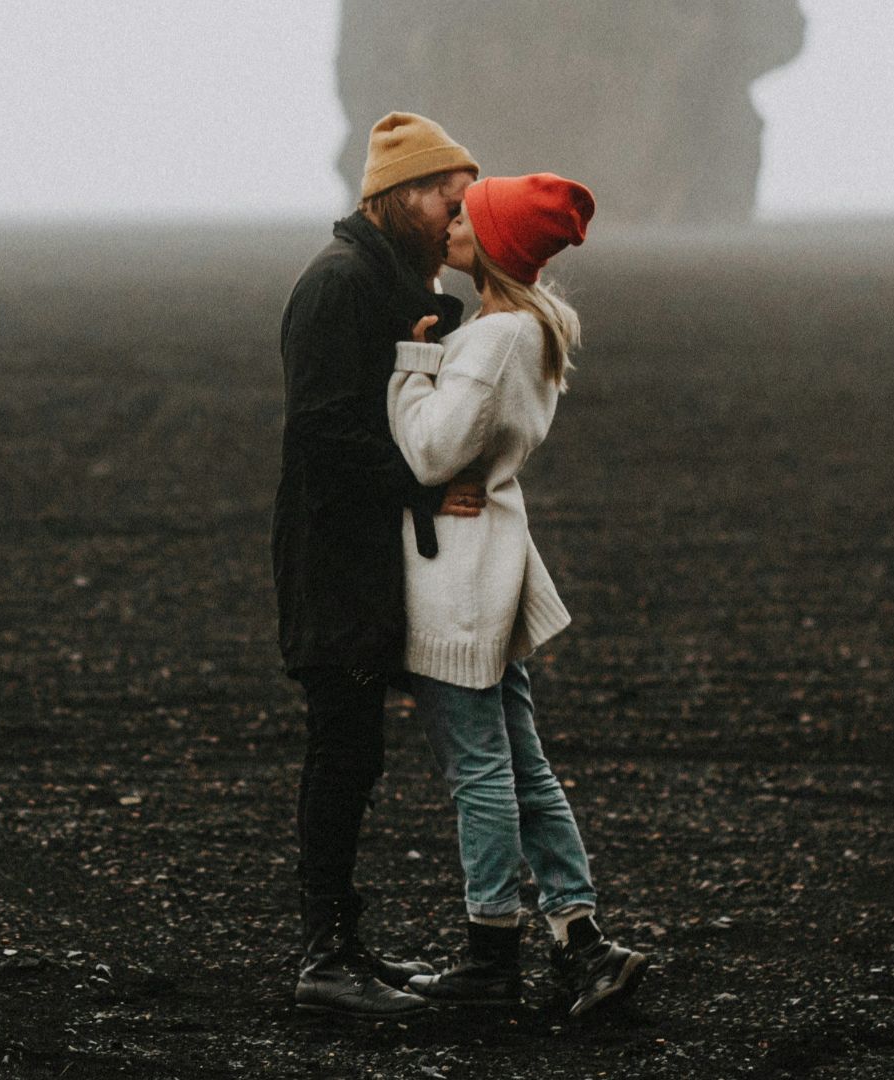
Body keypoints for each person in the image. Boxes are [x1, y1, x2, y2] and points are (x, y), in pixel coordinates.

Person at [386, 173, 647, 1018]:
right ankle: (581, 940)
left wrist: (413, 364)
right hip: (496, 568)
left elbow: (430, 453)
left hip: (461, 581)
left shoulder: (493, 338)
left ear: (494, 243)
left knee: (481, 775)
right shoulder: (535, 326)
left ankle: (490, 953)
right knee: (524, 771)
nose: (452, 224)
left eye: (468, 217)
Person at [273, 112, 489, 1018]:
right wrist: (428, 484)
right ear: (399, 196)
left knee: (356, 756)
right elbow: (323, 430)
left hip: (371, 556)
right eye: (450, 196)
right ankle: (326, 956)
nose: (460, 213)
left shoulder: (393, 278)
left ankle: (346, 943)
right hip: (335, 561)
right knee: (343, 751)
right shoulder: (337, 285)